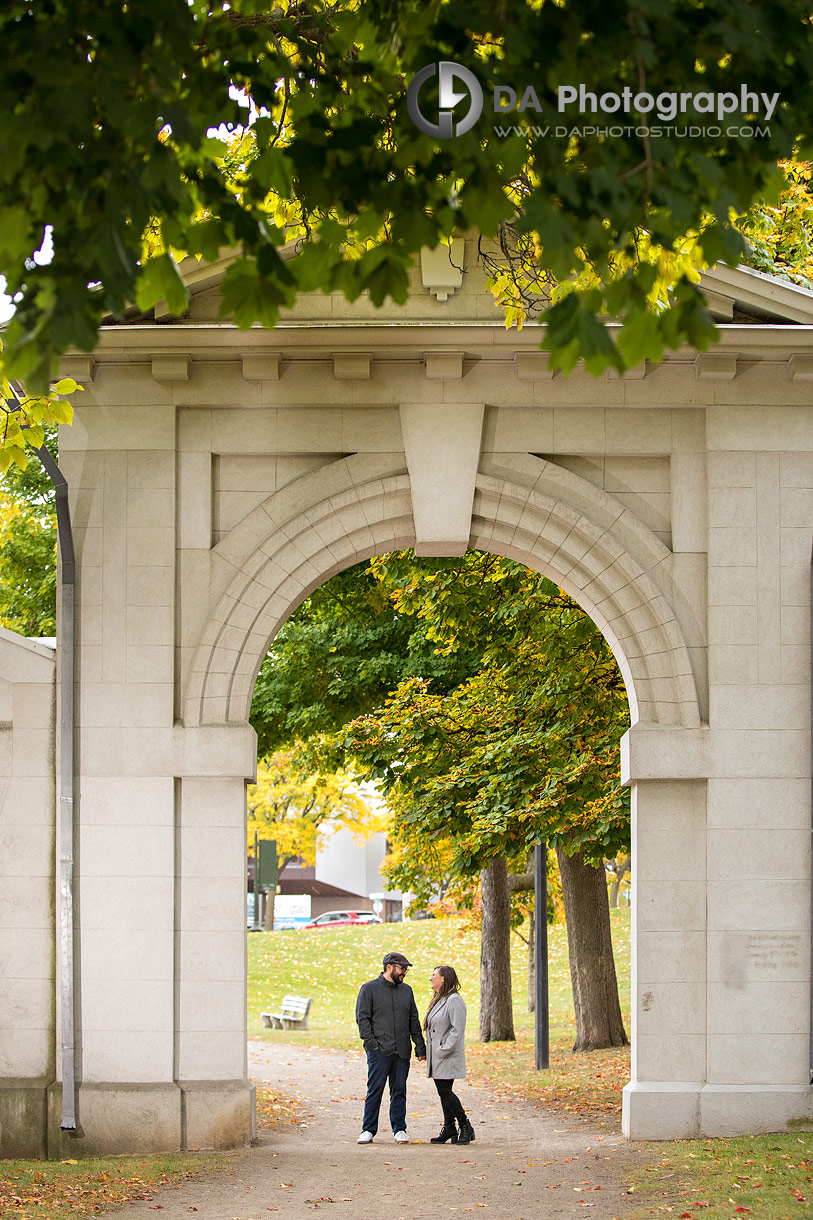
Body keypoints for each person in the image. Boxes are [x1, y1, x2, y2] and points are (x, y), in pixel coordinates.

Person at [355, 951, 426, 1144]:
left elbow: (414, 1019)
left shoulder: (407, 991)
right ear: (389, 967)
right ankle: (368, 1129)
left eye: (406, 970)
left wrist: (420, 1046)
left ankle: (399, 1129)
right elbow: (362, 1019)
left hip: (402, 1050)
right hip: (379, 1051)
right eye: (402, 969)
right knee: (375, 1090)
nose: (404, 972)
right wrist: (372, 1045)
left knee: (399, 1090)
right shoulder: (369, 989)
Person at [424, 964, 475, 1145]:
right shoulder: (440, 999)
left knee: (445, 1092)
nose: (431, 978)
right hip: (438, 1056)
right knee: (443, 1092)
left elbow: (457, 1029)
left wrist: (443, 1049)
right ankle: (449, 1127)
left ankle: (465, 1125)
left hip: (446, 1055)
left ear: (443, 978)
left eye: (434, 975)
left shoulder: (453, 1000)